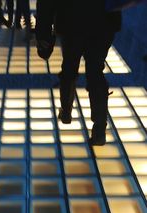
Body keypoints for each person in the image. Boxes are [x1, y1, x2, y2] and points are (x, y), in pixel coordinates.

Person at [36, 0, 122, 145]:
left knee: (69, 68)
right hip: (103, 21)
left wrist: (43, 31)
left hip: (71, 20)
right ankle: (99, 129)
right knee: (95, 72)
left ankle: (66, 112)